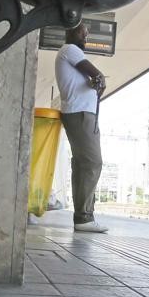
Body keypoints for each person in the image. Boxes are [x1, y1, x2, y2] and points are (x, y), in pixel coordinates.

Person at [55, 23, 109, 233]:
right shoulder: (71, 49)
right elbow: (98, 76)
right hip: (80, 115)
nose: (86, 35)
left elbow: (87, 82)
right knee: (92, 162)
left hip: (79, 114)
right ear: (69, 30)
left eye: (86, 33)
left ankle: (83, 217)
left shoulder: (68, 53)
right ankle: (84, 218)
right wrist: (100, 83)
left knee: (81, 165)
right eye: (82, 32)